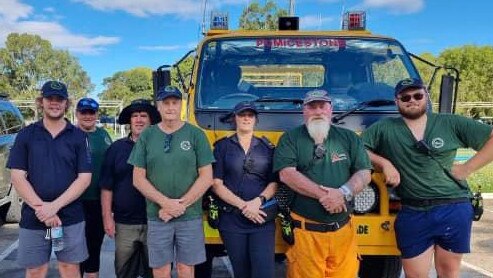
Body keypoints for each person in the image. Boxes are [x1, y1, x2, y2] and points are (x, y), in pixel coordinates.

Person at [362, 78, 493, 278]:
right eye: (405, 97)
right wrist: (384, 164)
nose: (412, 100)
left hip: (453, 206)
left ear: (426, 96)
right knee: (415, 275)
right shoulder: (385, 128)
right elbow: (356, 149)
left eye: (417, 95)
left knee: (448, 273)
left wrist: (468, 168)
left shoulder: (449, 122)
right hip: (413, 211)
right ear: (397, 101)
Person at [273, 89, 372, 278]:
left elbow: (364, 172)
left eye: (322, 106)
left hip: (344, 232)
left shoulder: (349, 138)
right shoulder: (290, 139)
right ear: (304, 110)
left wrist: (343, 193)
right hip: (306, 234)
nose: (318, 111)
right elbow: (286, 174)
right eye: (312, 107)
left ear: (331, 109)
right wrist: (326, 196)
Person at [7, 80, 92, 277]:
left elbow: (84, 178)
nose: (55, 103)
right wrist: (42, 209)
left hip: (69, 218)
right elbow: (17, 177)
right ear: (41, 102)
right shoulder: (26, 135)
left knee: (69, 268)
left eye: (59, 99)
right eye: (50, 98)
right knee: (36, 270)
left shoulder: (78, 137)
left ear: (66, 104)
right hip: (34, 217)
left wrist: (54, 207)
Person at [128, 85, 214, 278]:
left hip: (189, 215)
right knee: (160, 269)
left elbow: (207, 177)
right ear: (158, 106)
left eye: (175, 103)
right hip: (158, 215)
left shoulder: (196, 134)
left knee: (186, 268)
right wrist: (166, 204)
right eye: (165, 103)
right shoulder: (147, 136)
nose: (170, 107)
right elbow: (138, 178)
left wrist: (179, 206)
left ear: (181, 106)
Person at [211, 101, 277, 278]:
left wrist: (258, 202)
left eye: (250, 115)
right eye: (242, 115)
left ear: (255, 120)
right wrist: (244, 206)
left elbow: (274, 182)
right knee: (241, 272)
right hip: (232, 219)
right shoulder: (222, 147)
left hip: (261, 218)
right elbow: (216, 183)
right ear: (235, 118)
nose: (246, 118)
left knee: (264, 272)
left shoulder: (267, 148)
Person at [100, 99, 161, 278]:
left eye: (144, 116)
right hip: (125, 223)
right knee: (125, 272)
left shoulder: (161, 148)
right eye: (135, 116)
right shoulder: (115, 149)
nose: (139, 120)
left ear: (151, 120)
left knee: (157, 271)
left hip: (156, 222)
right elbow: (106, 187)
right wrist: (107, 219)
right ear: (129, 120)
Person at [75, 98, 112, 278]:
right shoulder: (69, 134)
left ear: (97, 114)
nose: (88, 116)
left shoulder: (104, 135)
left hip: (98, 201)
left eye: (92, 112)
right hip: (73, 202)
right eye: (84, 112)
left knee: (94, 246)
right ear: (77, 114)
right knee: (72, 248)